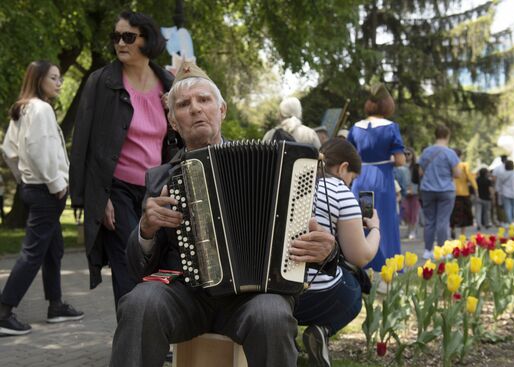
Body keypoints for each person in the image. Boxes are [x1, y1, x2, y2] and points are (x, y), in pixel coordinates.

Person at [109, 62, 336, 367]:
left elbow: (312, 241)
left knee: (272, 315)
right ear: (173, 121)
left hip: (252, 298)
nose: (195, 109)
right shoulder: (160, 179)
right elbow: (138, 268)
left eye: (204, 100)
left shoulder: (278, 167)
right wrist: (146, 231)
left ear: (222, 110)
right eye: (184, 105)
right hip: (185, 296)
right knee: (139, 302)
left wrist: (327, 251)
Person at [69, 11, 178, 308]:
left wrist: (177, 109)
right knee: (128, 264)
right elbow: (83, 145)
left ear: (148, 40)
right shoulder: (101, 82)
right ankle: (133, 340)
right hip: (115, 190)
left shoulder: (168, 84)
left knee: (158, 265)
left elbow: (177, 142)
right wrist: (97, 196)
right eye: (115, 37)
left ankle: (153, 332)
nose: (120, 43)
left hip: (155, 190)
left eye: (128, 37)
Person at [0, 60, 83, 336]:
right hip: (48, 191)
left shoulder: (22, 108)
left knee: (54, 247)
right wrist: (55, 183)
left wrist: (23, 178)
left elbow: (8, 150)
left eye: (60, 78)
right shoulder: (41, 108)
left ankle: (56, 305)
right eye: (54, 78)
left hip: (35, 189)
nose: (59, 83)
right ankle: (3, 310)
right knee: (33, 251)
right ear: (38, 79)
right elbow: (38, 149)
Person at [294, 138, 380, 367]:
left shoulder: (296, 180)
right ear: (343, 168)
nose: (350, 183)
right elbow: (360, 256)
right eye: (352, 177)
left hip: (279, 291)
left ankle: (286, 333)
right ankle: (322, 329)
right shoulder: (340, 192)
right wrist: (375, 228)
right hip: (314, 295)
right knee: (353, 288)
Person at [347, 83, 405, 271]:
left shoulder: (356, 128)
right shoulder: (391, 128)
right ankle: (387, 263)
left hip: (362, 179)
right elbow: (400, 160)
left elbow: (349, 154)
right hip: (382, 180)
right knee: (385, 220)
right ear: (387, 104)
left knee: (365, 219)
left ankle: (364, 262)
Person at [417, 125, 460, 259]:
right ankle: (442, 251)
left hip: (428, 190)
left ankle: (427, 250)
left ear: (435, 135)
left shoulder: (426, 152)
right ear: (448, 136)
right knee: (443, 220)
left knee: (429, 220)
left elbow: (420, 172)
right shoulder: (451, 153)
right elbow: (458, 173)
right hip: (446, 190)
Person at [450, 148, 477, 238]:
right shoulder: (464, 165)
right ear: (461, 155)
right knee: (465, 214)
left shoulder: (450, 165)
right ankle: (462, 234)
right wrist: (476, 189)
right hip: (464, 193)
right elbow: (471, 178)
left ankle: (452, 229)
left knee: (452, 213)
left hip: (451, 193)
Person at [401, 148, 421, 239]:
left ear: (412, 155)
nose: (406, 156)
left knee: (414, 212)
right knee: (406, 212)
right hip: (404, 192)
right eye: (404, 154)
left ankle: (413, 230)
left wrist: (415, 190)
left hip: (415, 192)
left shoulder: (416, 166)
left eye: (408, 154)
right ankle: (409, 229)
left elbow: (419, 180)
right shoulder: (400, 166)